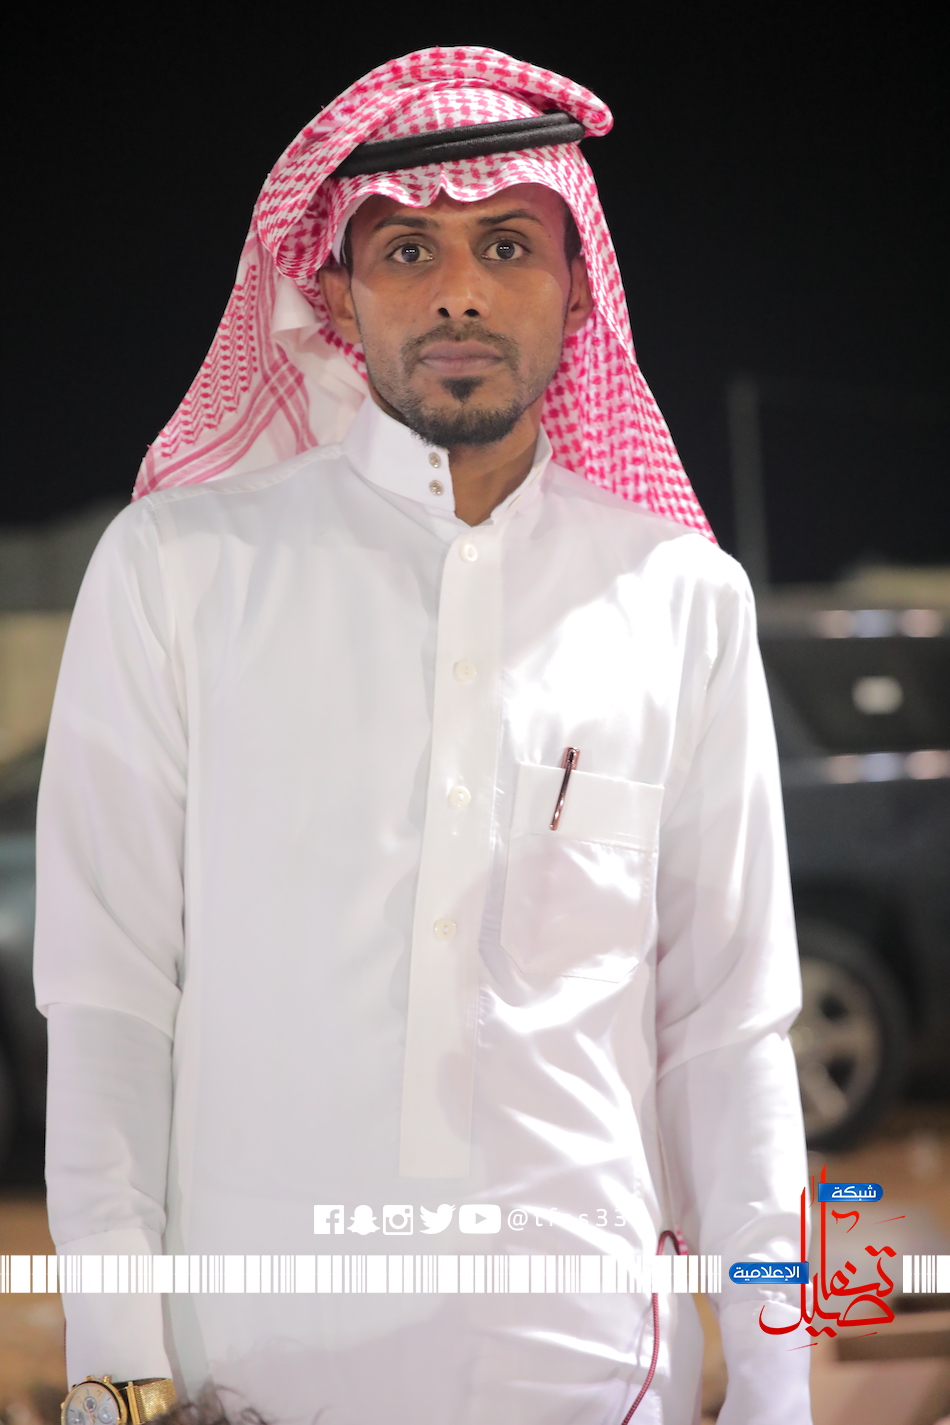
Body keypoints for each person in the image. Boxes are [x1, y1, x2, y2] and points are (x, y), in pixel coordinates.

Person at [35, 45, 813, 1425]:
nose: (460, 289)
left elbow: (729, 1035)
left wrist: (775, 1384)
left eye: (507, 244)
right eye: (407, 250)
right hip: (249, 1384)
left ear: (578, 283)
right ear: (336, 292)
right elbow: (108, 998)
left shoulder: (681, 601)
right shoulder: (176, 574)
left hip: (591, 1379)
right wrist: (117, 1363)